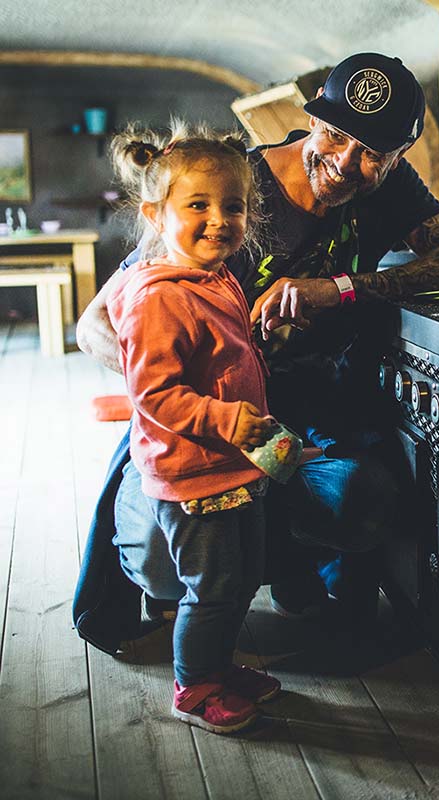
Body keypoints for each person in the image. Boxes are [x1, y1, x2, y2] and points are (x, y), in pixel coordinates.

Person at [73, 52, 439, 654]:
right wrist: (183, 391)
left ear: (398, 156)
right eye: (337, 135)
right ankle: (212, 605)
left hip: (304, 410)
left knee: (360, 498)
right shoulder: (225, 188)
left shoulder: (391, 188)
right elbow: (95, 326)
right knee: (158, 554)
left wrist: (339, 289)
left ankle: (284, 571)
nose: (347, 163)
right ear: (312, 118)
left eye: (373, 153)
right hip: (203, 422)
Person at [105, 123, 296, 734]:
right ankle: (193, 687)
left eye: (233, 206)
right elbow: (154, 393)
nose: (219, 219)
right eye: (198, 206)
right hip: (192, 472)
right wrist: (227, 419)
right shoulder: (155, 297)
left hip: (233, 459)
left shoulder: (216, 279)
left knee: (240, 577)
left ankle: (219, 665)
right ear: (155, 215)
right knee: (211, 587)